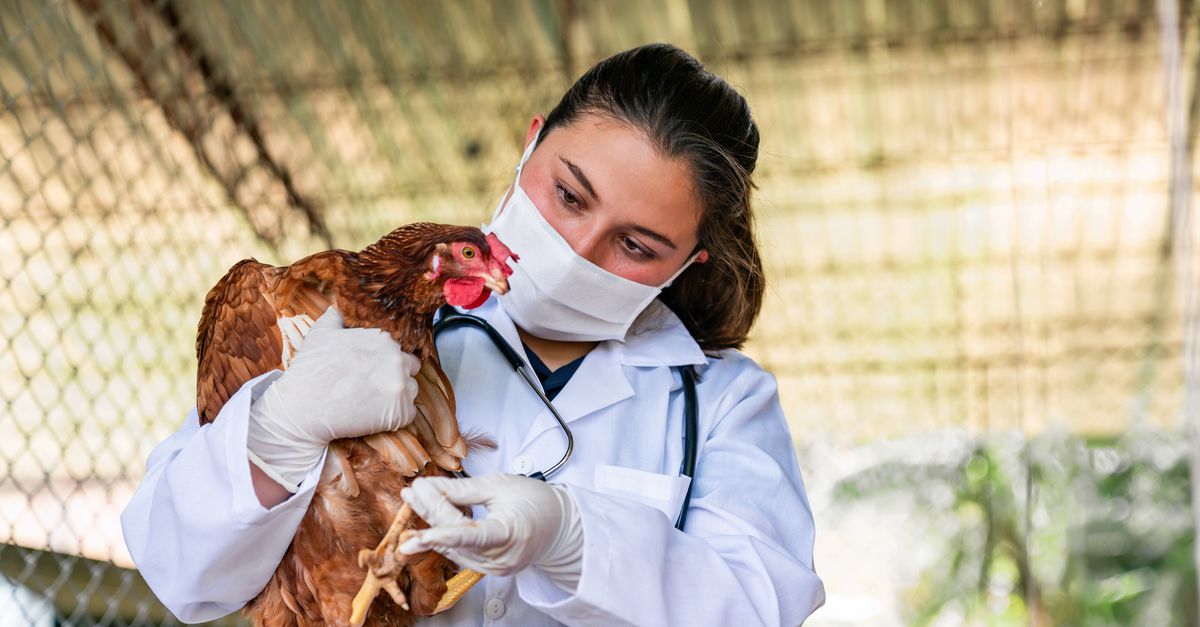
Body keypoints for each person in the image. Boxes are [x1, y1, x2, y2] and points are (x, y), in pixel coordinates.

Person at [122, 43, 825, 625]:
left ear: (687, 262)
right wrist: (278, 431)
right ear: (530, 146)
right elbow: (178, 572)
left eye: (635, 245)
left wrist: (572, 534)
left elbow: (760, 604)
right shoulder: (341, 317)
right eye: (569, 195)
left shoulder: (722, 401)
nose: (579, 248)